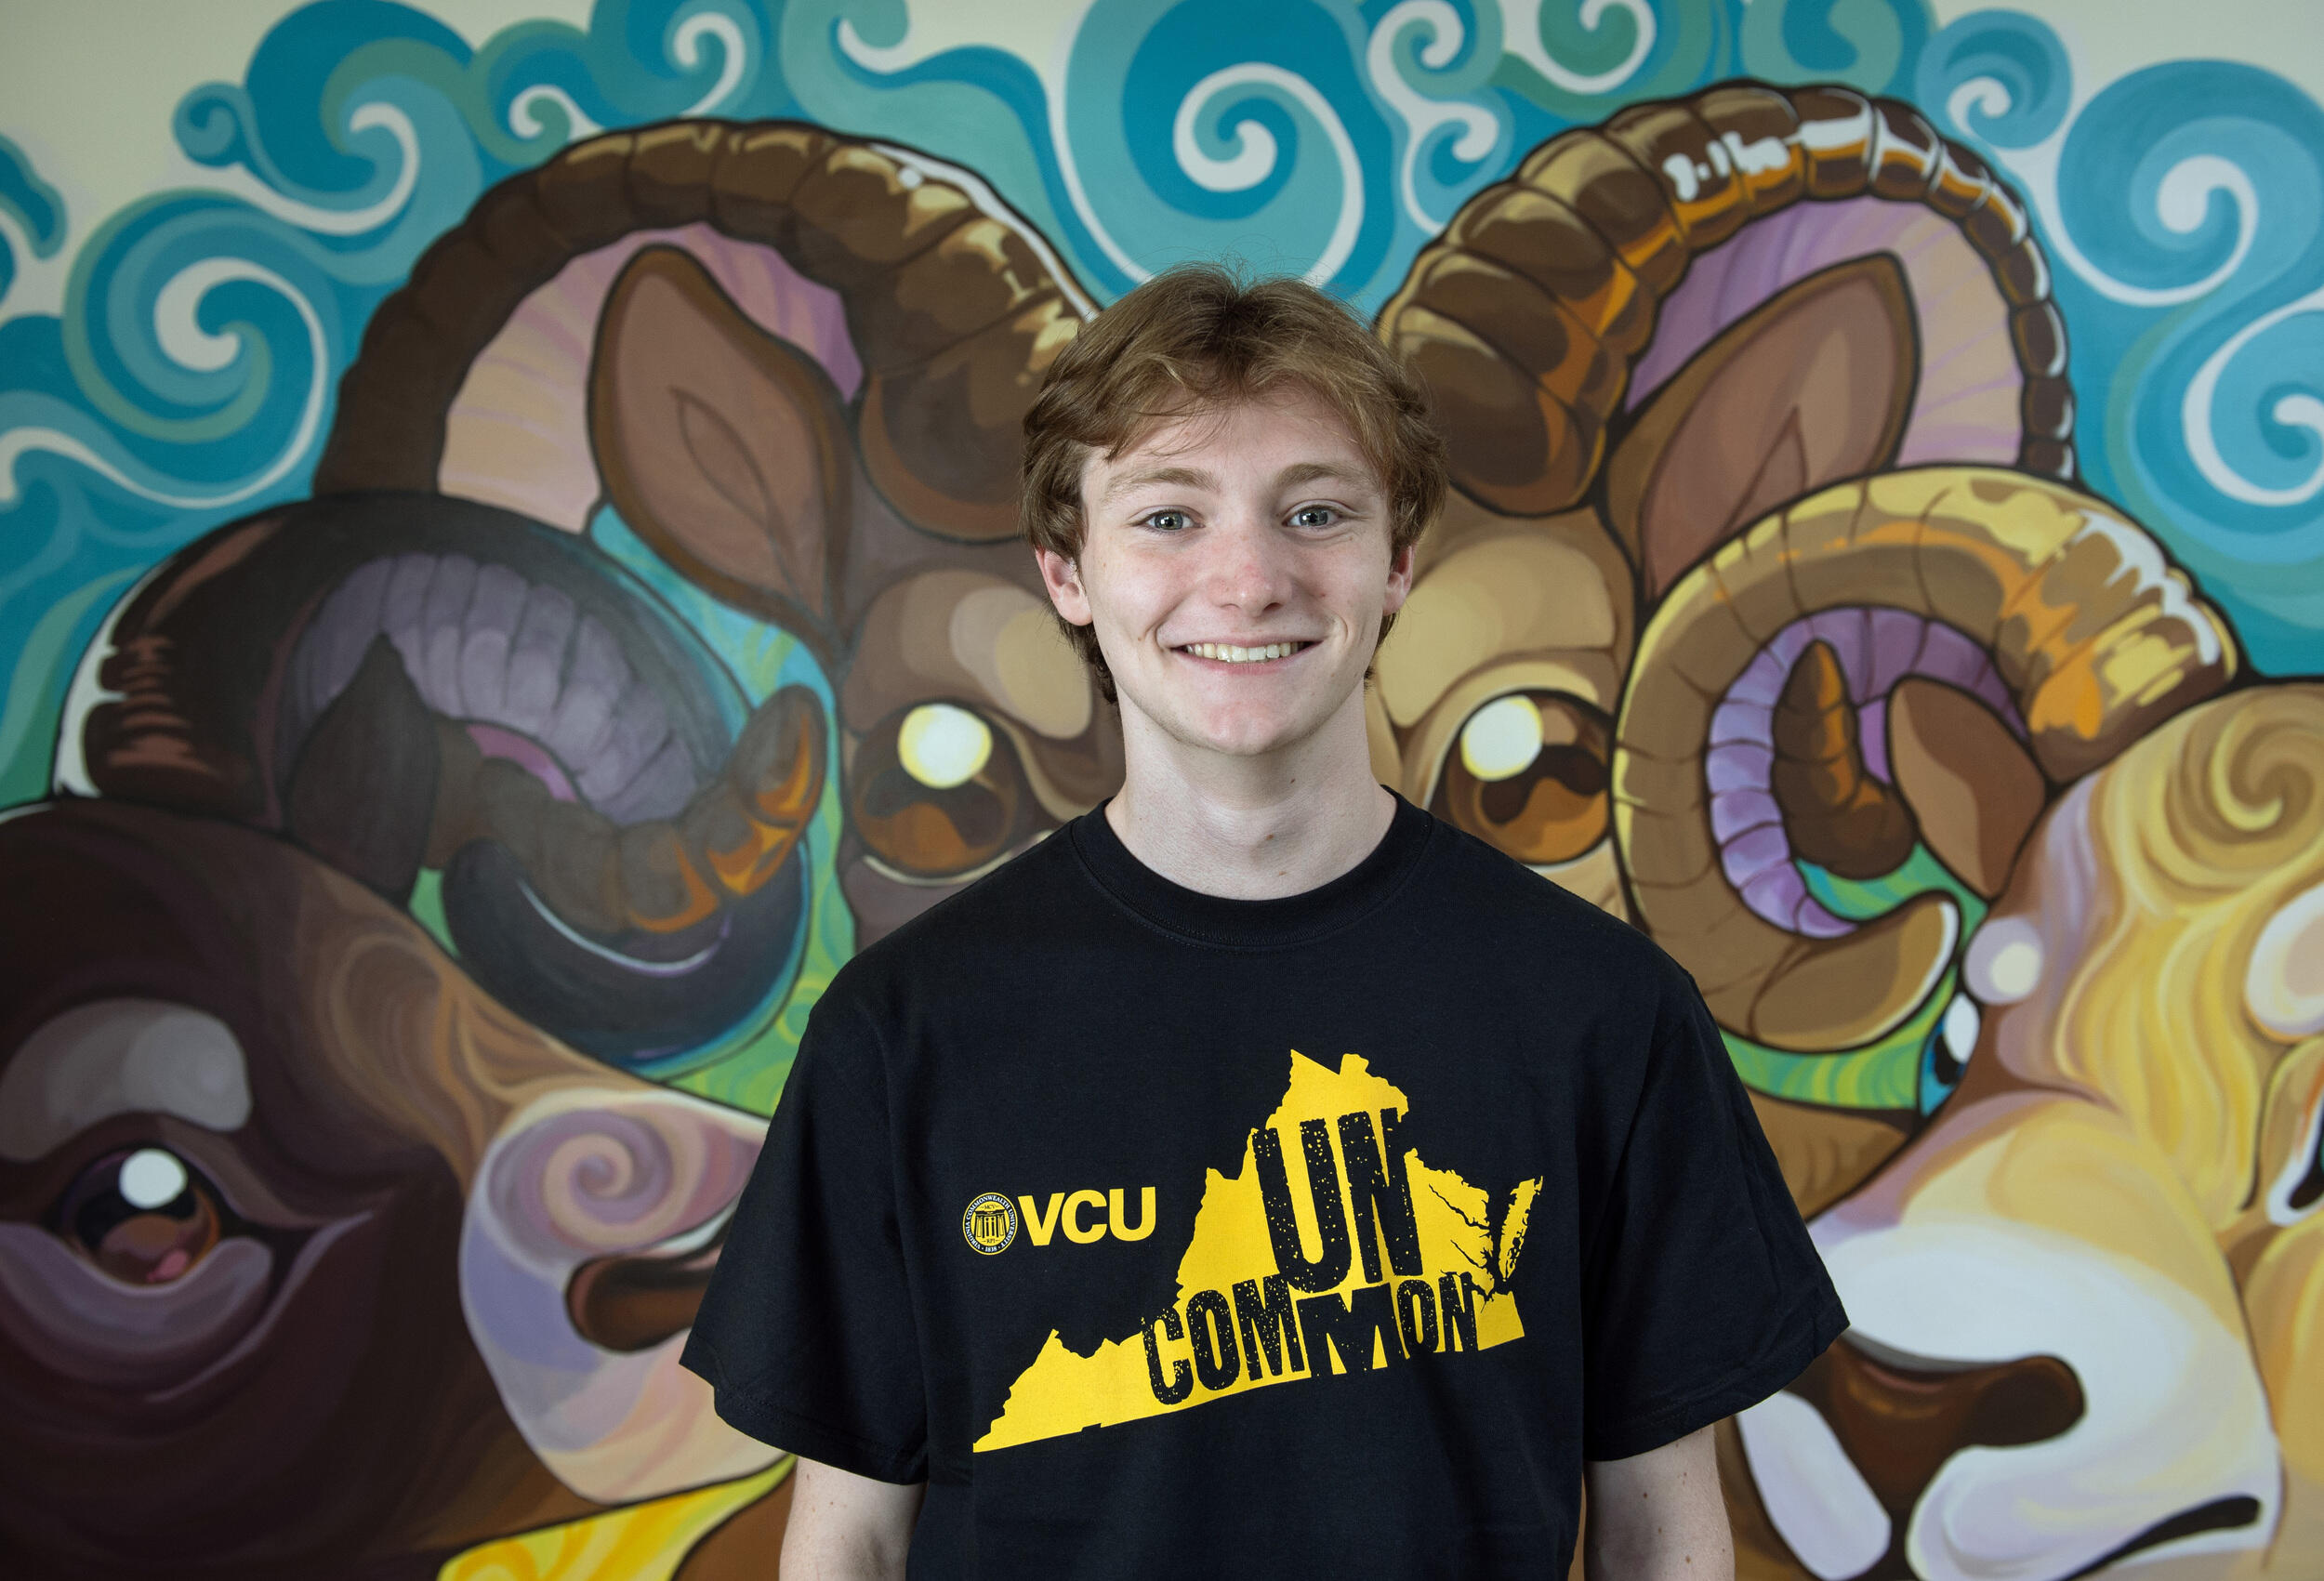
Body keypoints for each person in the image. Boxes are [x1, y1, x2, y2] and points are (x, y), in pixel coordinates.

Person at [681, 265, 1845, 1579]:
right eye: (1169, 515)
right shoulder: (900, 1036)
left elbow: (1659, 1530)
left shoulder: (1605, 1012)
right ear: (1066, 571)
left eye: (1315, 511)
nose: (1247, 580)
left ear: (1398, 560)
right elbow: (849, 1547)